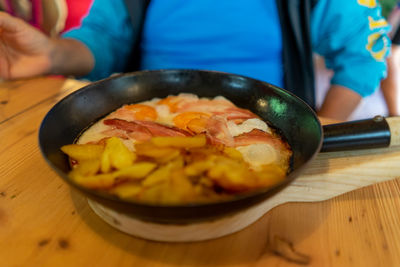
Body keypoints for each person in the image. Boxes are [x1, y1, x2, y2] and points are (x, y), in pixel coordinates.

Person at [0, 0, 391, 121]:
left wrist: (325, 127)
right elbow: (104, 38)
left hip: (267, 125)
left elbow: (365, 53)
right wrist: (53, 53)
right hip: (147, 123)